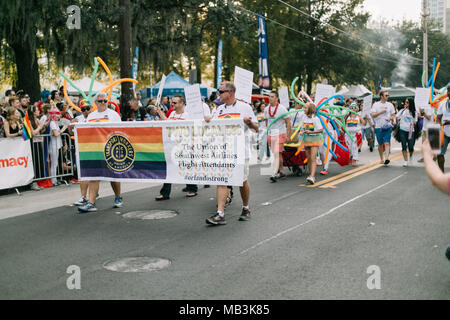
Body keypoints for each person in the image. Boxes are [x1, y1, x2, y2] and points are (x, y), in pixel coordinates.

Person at [206, 81, 258, 225]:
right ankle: (220, 213)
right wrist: (208, 121)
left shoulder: (244, 107)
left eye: (221, 92)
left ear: (230, 93)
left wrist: (249, 123)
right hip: (223, 151)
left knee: (242, 181)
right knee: (221, 180)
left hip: (240, 151)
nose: (219, 94)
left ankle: (246, 208)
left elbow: (256, 128)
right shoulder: (218, 109)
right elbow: (212, 128)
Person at [78, 92, 123, 213]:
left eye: (105, 101)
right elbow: (87, 132)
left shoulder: (113, 115)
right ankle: (91, 203)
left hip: (110, 149)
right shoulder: (91, 116)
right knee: (94, 176)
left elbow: (120, 131)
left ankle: (118, 197)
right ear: (96, 103)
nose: (103, 103)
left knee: (113, 176)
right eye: (100, 101)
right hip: (95, 150)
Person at [155, 95, 202, 200]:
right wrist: (159, 112)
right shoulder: (172, 113)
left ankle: (192, 188)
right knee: (170, 168)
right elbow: (167, 123)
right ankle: (165, 193)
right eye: (172, 102)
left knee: (186, 167)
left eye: (175, 103)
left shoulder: (187, 115)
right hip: (172, 146)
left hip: (184, 146)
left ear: (182, 103)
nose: (172, 104)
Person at [265, 91, 291, 182]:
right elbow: (267, 121)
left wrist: (288, 135)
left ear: (276, 98)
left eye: (272, 96)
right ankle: (281, 171)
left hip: (280, 133)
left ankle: (275, 173)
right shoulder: (266, 109)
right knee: (277, 153)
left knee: (276, 153)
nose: (270, 98)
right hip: (270, 134)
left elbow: (288, 122)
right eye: (269, 96)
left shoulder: (282, 109)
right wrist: (267, 132)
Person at [71, 101, 92, 206]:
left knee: (92, 174)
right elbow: (70, 131)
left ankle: (92, 194)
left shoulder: (95, 117)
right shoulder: (78, 119)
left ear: (91, 108)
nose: (86, 111)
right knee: (83, 173)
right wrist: (71, 124)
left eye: (87, 108)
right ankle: (83, 196)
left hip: (93, 148)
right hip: (81, 148)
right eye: (83, 109)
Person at [298, 103, 324, 184]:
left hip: (315, 139)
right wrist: (302, 132)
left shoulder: (315, 119)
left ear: (310, 109)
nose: (304, 109)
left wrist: (311, 132)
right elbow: (302, 127)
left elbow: (321, 130)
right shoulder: (304, 117)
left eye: (305, 108)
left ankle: (312, 176)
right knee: (308, 158)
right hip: (306, 139)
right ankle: (310, 175)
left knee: (313, 158)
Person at [371, 90, 396, 165]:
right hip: (378, 127)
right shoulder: (376, 104)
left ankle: (387, 158)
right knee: (380, 144)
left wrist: (393, 120)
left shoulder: (390, 105)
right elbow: (373, 115)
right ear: (381, 96)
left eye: (388, 95)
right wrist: (381, 112)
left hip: (387, 126)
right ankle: (381, 158)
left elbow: (393, 115)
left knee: (387, 143)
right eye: (386, 95)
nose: (387, 97)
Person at [396, 98, 418, 167]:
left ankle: (410, 156)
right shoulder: (402, 111)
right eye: (405, 102)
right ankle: (405, 161)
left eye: (407, 102)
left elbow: (415, 121)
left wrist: (413, 123)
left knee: (411, 146)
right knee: (403, 145)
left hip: (411, 130)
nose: (405, 103)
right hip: (402, 130)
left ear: (410, 103)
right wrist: (398, 120)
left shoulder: (414, 112)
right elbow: (396, 116)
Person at [436, 87, 450, 172]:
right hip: (444, 133)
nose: (449, 93)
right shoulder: (443, 104)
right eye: (448, 91)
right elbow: (438, 118)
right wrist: (438, 124)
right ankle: (441, 174)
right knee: (439, 154)